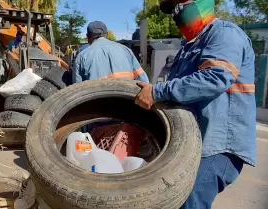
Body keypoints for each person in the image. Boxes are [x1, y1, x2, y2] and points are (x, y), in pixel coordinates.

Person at [134, 0, 256, 208]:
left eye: (179, 4)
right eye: (172, 8)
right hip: (194, 144)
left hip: (218, 146)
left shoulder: (224, 34)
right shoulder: (188, 47)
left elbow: (215, 78)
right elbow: (179, 95)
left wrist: (157, 92)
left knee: (190, 203)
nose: (176, 12)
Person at [73, 21, 149, 83]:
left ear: (87, 37)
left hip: (97, 101)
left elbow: (77, 91)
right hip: (127, 100)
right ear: (107, 35)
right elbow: (144, 81)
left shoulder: (81, 56)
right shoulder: (126, 50)